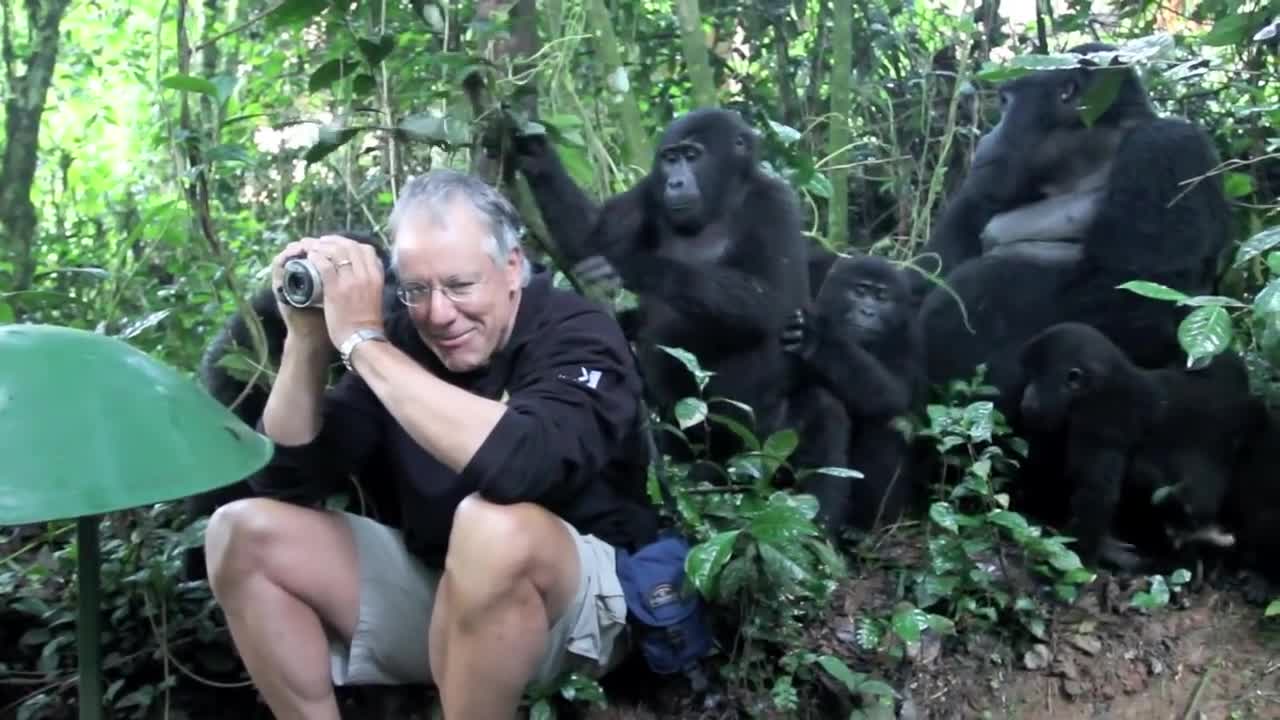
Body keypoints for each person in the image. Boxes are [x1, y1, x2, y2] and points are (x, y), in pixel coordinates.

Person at [202, 168, 660, 720]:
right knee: (241, 531)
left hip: (575, 616)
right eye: (417, 290)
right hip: (446, 595)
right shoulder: (404, 341)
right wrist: (307, 341)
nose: (439, 314)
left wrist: (366, 344)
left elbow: (524, 468)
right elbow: (288, 478)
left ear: (512, 266)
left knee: (492, 526)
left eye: (461, 286)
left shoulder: (575, 331)